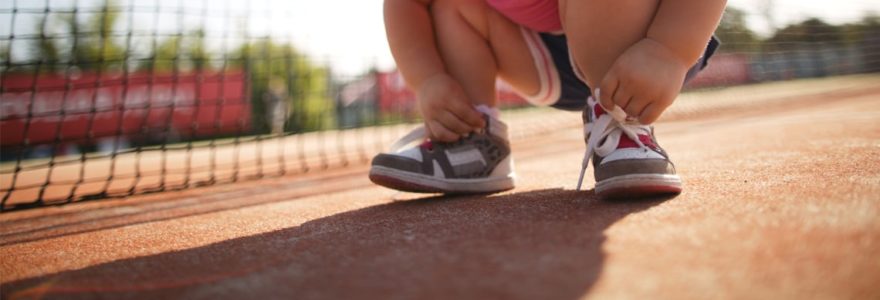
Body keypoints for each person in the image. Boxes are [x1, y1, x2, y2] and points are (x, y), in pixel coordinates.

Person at [369, 0, 723, 198]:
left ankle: (620, 121)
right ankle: (473, 136)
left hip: (648, 39)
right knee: (449, 5)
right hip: (538, 52)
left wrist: (670, 50)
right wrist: (429, 81)